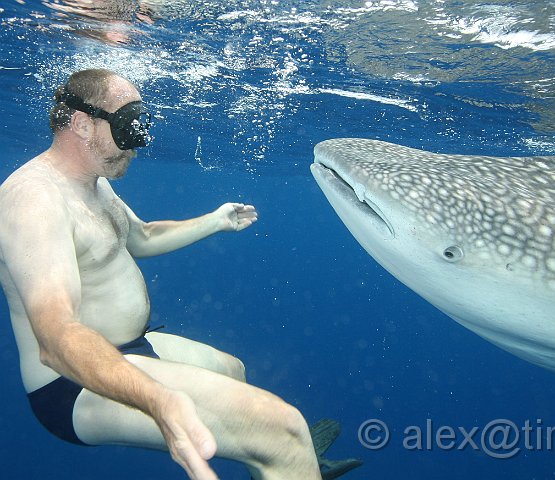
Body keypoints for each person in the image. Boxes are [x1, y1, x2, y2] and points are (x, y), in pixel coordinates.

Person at [0, 68, 360, 480]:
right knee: (285, 429)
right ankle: (286, 455)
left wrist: (215, 220)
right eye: (128, 126)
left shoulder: (93, 184)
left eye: (142, 124)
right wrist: (158, 399)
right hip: (74, 384)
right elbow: (56, 338)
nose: (140, 142)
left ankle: (284, 464)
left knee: (233, 370)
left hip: (131, 347)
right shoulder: (33, 201)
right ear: (83, 124)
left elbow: (143, 237)